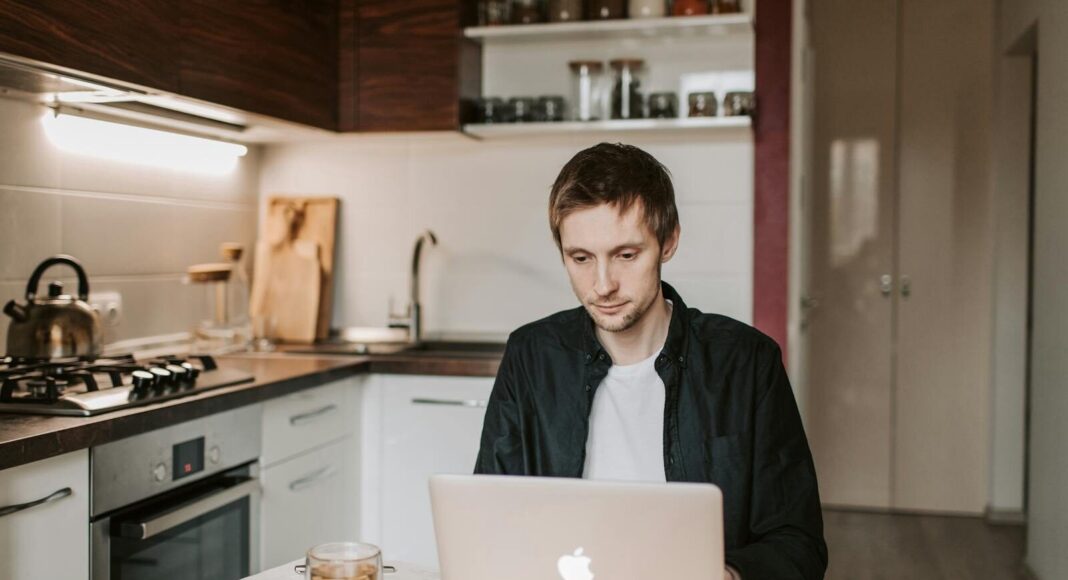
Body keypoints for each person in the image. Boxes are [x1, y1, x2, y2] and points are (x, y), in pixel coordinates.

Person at [474, 143, 828, 580]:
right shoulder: (530, 356)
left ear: (669, 240)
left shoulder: (746, 362)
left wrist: (729, 576)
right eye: (581, 258)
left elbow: (799, 543)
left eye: (626, 255)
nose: (602, 285)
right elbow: (489, 520)